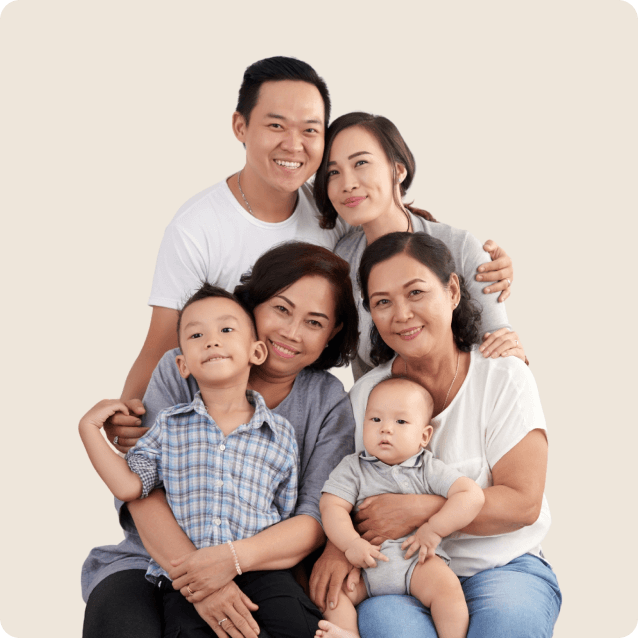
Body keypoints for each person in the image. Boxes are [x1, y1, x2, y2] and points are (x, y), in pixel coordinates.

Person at [110, 64, 513, 448]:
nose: (293, 143)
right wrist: (132, 416)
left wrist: (487, 264)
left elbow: (502, 352)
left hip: (444, 418)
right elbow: (162, 343)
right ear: (240, 127)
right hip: (292, 418)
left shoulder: (349, 225)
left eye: (309, 130)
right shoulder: (203, 229)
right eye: (275, 125)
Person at [81, 243, 359, 638]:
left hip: (260, 568)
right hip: (149, 559)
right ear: (253, 305)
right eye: (281, 309)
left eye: (315, 322)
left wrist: (229, 562)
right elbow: (142, 490)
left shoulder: (326, 399)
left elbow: (313, 516)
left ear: (332, 333)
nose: (291, 333)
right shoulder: (187, 364)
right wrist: (200, 580)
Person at [314, 231, 561, 638]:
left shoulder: (502, 376)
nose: (401, 314)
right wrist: (338, 546)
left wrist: (418, 511)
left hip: (502, 567)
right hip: (399, 574)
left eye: (415, 292)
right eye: (382, 302)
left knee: (505, 627)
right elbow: (347, 490)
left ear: (451, 290)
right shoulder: (363, 398)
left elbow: (522, 503)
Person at [313, 112, 524, 380]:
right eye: (333, 172)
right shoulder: (340, 261)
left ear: (398, 170)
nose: (348, 183)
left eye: (361, 163)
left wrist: (514, 355)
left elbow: (503, 353)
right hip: (380, 416)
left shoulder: (460, 247)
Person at [316, 376, 485, 638]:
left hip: (416, 561)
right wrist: (350, 543)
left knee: (448, 589)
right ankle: (347, 633)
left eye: (401, 421)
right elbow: (331, 506)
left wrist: (435, 528)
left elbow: (471, 495)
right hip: (366, 565)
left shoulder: (427, 468)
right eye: (375, 420)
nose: (386, 429)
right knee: (332, 593)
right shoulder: (353, 467)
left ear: (424, 435)